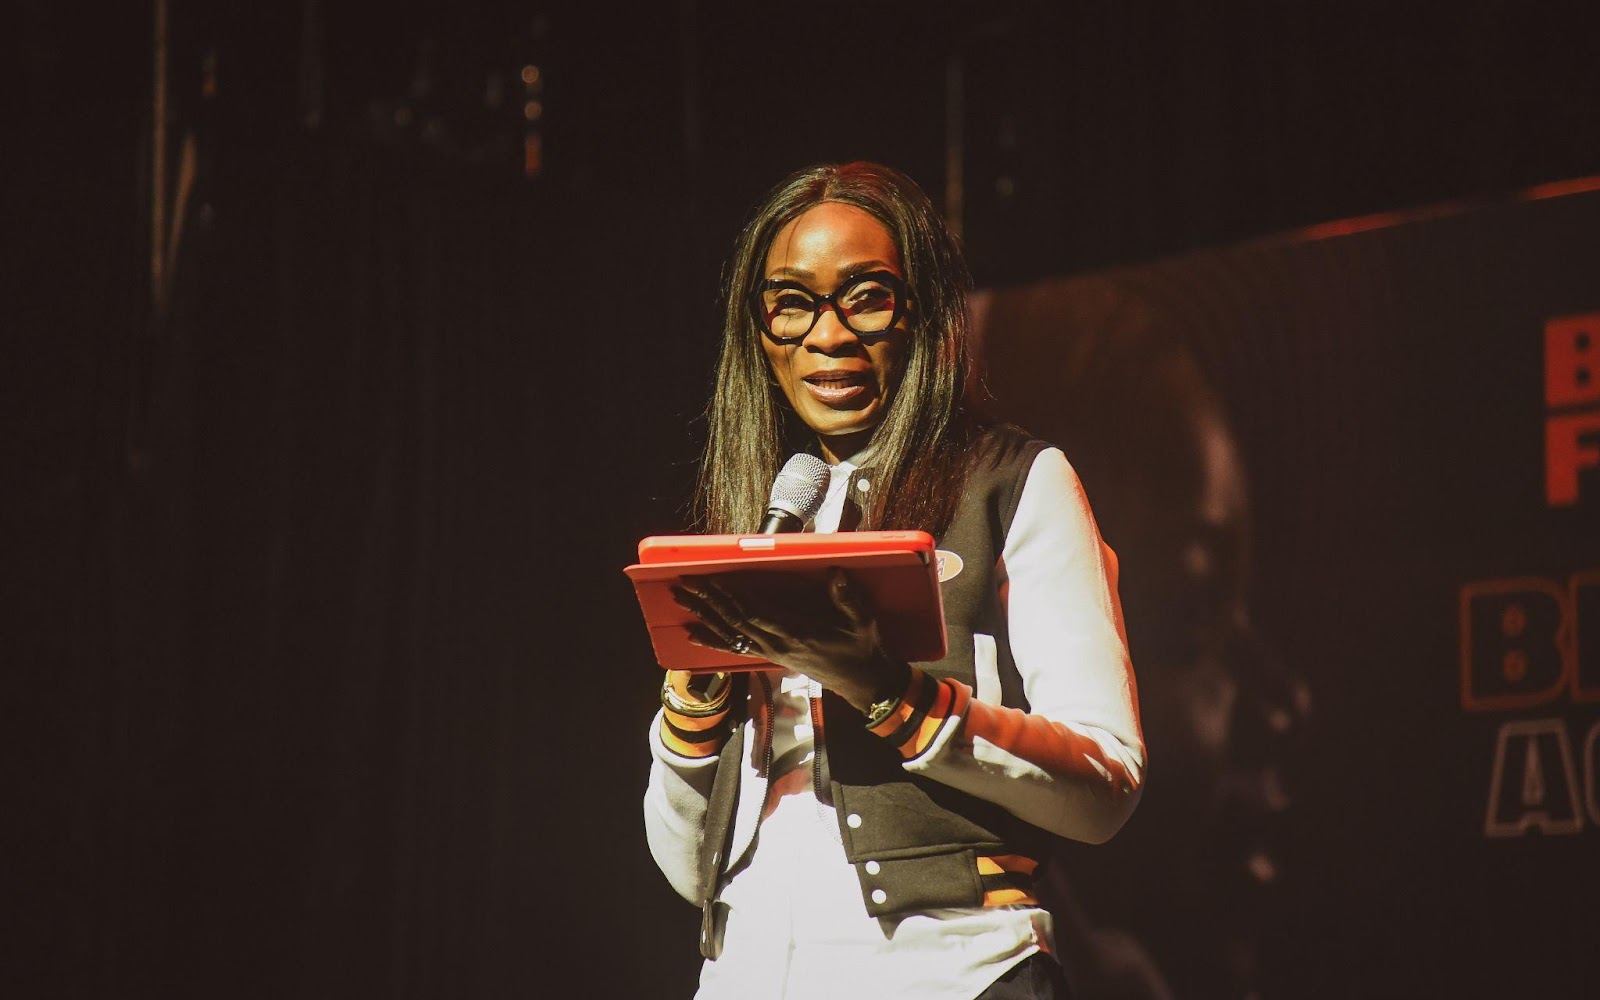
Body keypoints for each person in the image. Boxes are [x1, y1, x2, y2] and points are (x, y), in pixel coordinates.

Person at [642, 161, 1145, 1000]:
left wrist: (886, 692)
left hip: (952, 968)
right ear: (758, 331)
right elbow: (687, 872)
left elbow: (1106, 787)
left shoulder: (1012, 482)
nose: (829, 336)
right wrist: (691, 712)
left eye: (867, 296)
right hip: (748, 971)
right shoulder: (756, 518)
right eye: (793, 302)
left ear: (925, 312)